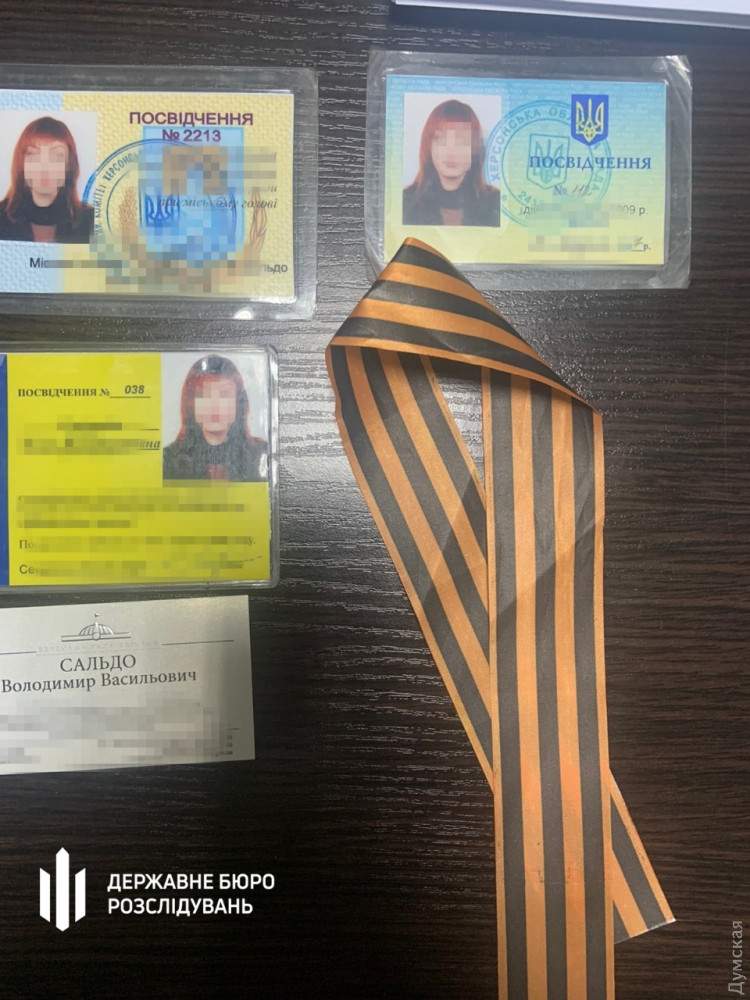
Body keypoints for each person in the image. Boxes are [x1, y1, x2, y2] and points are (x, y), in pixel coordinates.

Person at [163, 355, 268, 482]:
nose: (214, 405)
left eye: (224, 394)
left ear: (239, 403)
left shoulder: (263, 454)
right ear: (190, 403)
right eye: (204, 395)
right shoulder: (167, 459)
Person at [402, 99, 500, 228]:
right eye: (442, 139)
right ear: (429, 147)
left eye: (461, 141)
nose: (451, 151)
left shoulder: (496, 204)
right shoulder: (405, 203)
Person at [0, 116, 94, 243]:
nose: (44, 168)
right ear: (21, 164)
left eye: (56, 156)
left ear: (69, 165)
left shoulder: (91, 222)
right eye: (34, 155)